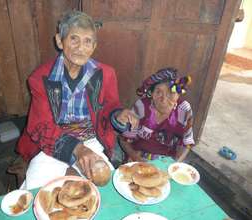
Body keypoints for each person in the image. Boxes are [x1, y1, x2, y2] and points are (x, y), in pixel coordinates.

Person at [14, 11, 135, 190]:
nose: (80, 47)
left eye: (88, 41)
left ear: (94, 46)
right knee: (39, 191)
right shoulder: (40, 78)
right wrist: (76, 150)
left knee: (106, 187)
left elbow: (109, 107)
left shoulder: (106, 74)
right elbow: (40, 125)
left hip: (91, 140)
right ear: (59, 41)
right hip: (52, 143)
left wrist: (118, 116)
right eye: (74, 39)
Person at [111, 68, 195, 162]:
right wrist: (136, 158)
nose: (163, 100)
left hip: (167, 160)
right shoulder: (141, 106)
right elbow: (124, 140)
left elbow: (186, 143)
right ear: (152, 94)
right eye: (158, 92)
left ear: (179, 94)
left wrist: (174, 165)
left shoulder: (184, 110)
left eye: (171, 93)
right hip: (138, 156)